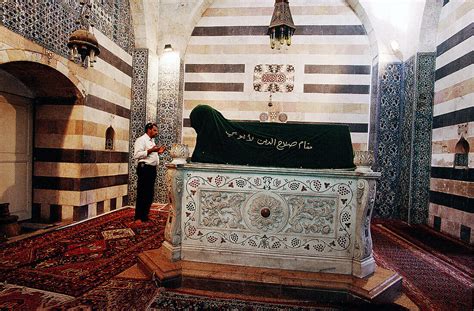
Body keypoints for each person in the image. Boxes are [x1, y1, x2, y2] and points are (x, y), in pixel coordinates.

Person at [133, 122, 165, 222]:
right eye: (155, 130)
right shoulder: (141, 140)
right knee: (142, 193)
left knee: (149, 194)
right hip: (144, 169)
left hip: (151, 169)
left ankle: (144, 215)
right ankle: (138, 216)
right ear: (149, 129)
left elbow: (151, 155)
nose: (157, 132)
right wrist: (151, 150)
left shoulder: (152, 141)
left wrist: (158, 152)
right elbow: (137, 155)